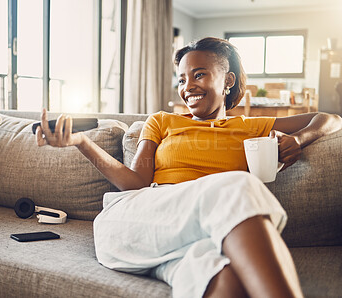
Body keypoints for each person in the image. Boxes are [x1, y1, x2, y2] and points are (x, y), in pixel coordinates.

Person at [36, 37, 342, 298]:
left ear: (228, 80)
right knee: (239, 184)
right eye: (182, 79)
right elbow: (136, 183)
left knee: (229, 277)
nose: (188, 87)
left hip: (196, 237)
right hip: (138, 221)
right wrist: (81, 142)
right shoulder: (162, 121)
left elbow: (330, 119)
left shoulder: (249, 127)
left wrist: (300, 139)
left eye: (199, 75)